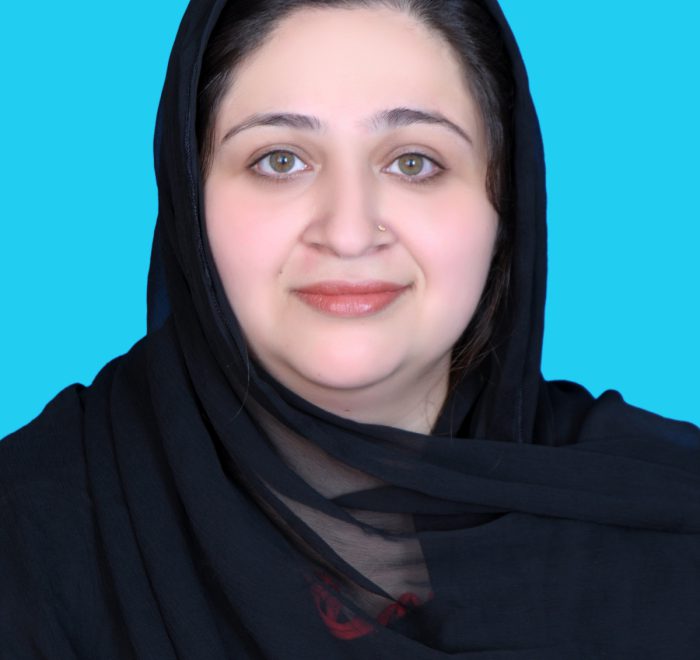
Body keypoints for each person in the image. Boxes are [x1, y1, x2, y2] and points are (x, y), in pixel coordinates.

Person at [1, 0, 699, 657]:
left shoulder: (670, 520)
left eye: (413, 162)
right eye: (280, 160)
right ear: (190, 198)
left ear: (504, 205)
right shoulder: (29, 532)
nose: (348, 231)